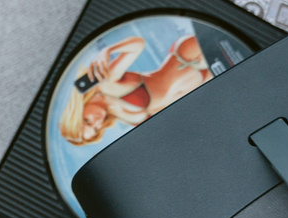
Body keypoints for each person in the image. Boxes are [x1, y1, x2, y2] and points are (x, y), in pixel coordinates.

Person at [58, 33, 210, 145]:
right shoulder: (118, 117)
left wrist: (108, 50)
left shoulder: (106, 83)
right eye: (96, 129)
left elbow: (138, 44)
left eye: (87, 121)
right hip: (202, 83)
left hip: (188, 58)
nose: (97, 123)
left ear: (77, 111)